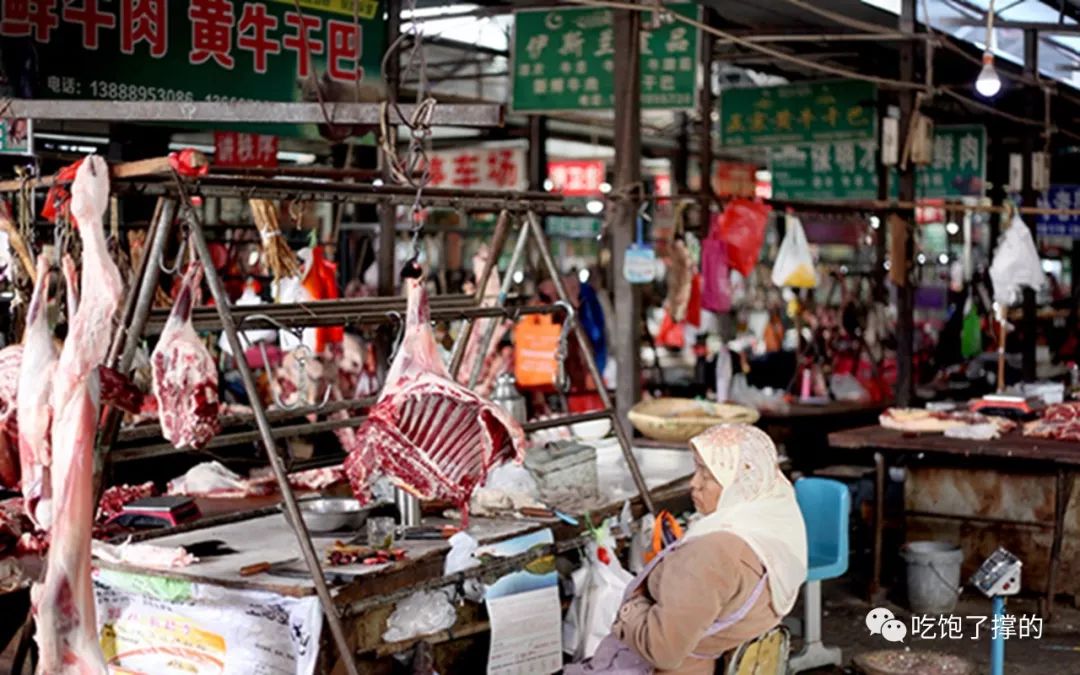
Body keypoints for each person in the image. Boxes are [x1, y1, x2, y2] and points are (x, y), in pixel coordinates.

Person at [568, 424, 807, 674]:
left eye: (707, 475)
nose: (694, 483)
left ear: (739, 483)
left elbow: (662, 650)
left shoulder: (710, 554)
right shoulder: (768, 532)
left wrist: (630, 607)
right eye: (696, 470)